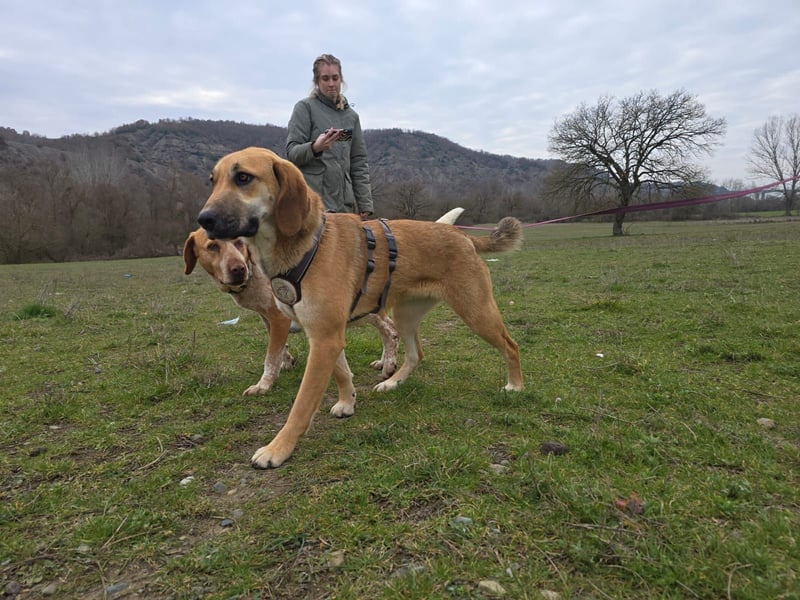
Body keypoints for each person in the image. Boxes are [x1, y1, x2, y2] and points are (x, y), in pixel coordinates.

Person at [286, 53, 373, 218]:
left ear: (341, 79)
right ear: (317, 81)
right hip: (313, 207)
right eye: (325, 79)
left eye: (335, 78)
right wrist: (314, 148)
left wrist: (364, 203)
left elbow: (358, 162)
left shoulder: (351, 117)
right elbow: (292, 153)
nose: (331, 84)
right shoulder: (305, 108)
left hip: (344, 208)